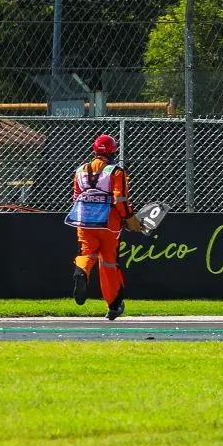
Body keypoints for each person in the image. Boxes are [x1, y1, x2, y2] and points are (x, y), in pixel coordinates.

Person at [66, 133, 139, 321]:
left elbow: (76, 197)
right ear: (113, 151)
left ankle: (81, 273)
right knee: (108, 263)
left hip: (83, 221)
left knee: (86, 253)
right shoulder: (116, 171)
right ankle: (114, 306)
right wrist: (129, 218)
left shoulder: (80, 170)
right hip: (108, 223)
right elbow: (119, 199)